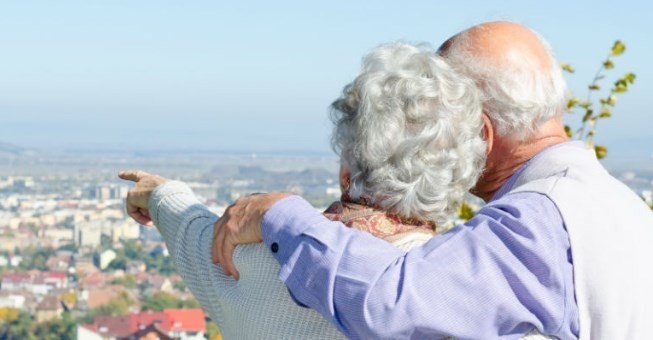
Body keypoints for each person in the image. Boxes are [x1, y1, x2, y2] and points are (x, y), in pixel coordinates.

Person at [210, 21, 653, 339]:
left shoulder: (534, 221)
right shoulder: (622, 205)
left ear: (479, 132)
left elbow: (390, 304)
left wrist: (278, 215)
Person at [120, 42, 491, 339]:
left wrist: (157, 193)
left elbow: (192, 230)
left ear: (348, 170)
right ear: (460, 176)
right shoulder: (465, 291)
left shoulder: (252, 257)